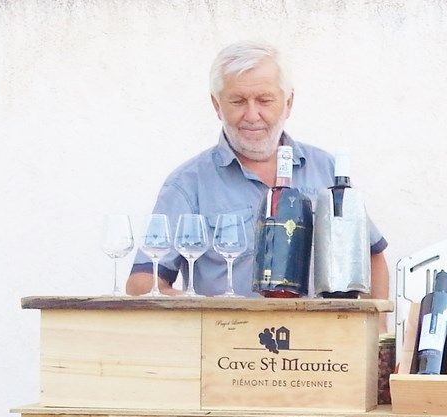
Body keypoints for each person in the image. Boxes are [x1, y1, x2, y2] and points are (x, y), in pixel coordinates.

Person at [126, 41, 389, 298]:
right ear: (217, 105)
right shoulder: (187, 184)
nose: (252, 115)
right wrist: (196, 308)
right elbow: (142, 283)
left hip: (317, 329)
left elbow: (371, 257)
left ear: (288, 103)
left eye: (264, 100)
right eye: (238, 101)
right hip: (228, 328)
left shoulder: (326, 170)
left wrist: (374, 325)